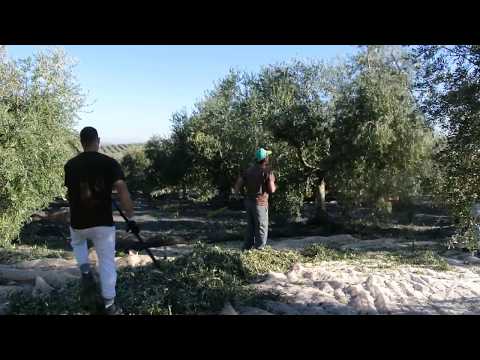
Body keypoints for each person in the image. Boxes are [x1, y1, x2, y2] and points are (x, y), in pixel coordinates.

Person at [64, 126, 137, 315]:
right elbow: (121, 189)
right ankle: (109, 305)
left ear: (82, 142)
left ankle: (85, 269)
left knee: (78, 242)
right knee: (106, 262)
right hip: (102, 222)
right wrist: (130, 215)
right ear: (98, 141)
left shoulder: (70, 165)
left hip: (78, 221)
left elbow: (71, 192)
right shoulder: (110, 162)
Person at [234, 148, 277, 250]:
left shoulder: (248, 170)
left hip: (248, 202)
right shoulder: (267, 172)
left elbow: (238, 185)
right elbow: (271, 190)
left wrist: (236, 194)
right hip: (260, 204)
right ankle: (259, 250)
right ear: (265, 159)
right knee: (261, 227)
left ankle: (246, 249)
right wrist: (275, 185)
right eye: (268, 156)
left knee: (251, 226)